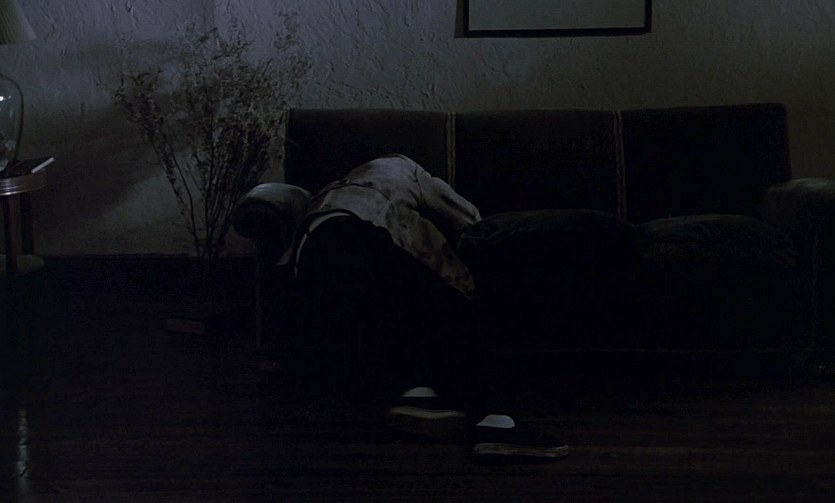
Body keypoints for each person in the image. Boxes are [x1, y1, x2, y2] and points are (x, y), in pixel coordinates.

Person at [288, 154, 568, 462]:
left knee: (399, 319)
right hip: (349, 238)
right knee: (451, 310)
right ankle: (496, 422)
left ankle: (416, 395)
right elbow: (470, 219)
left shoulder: (333, 188)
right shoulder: (405, 168)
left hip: (307, 267)